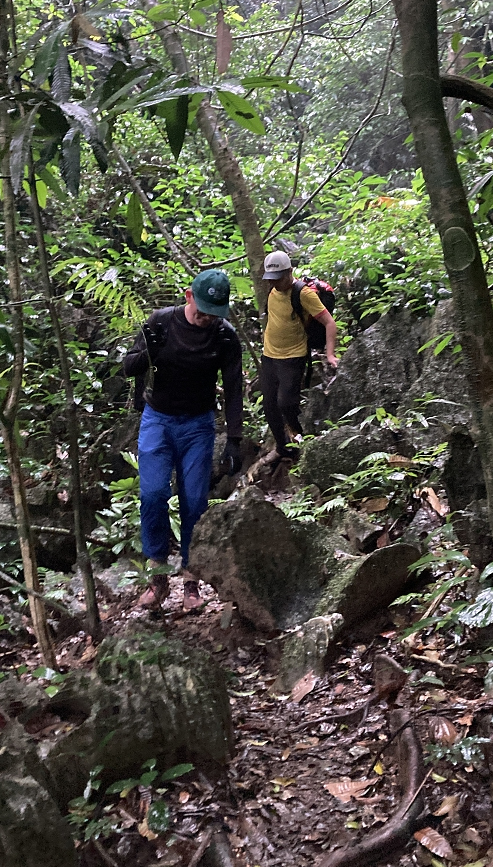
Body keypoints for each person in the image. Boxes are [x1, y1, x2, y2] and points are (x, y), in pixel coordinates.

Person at [123, 270, 243, 609]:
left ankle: (192, 582)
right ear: (189, 296)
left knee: (194, 501)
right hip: (157, 419)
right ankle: (157, 578)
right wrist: (149, 351)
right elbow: (127, 367)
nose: (206, 319)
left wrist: (234, 438)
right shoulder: (161, 322)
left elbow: (234, 388)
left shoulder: (224, 336)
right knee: (153, 494)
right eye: (202, 310)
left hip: (197, 425)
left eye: (214, 314)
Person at [261, 250, 338, 461]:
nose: (276, 283)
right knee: (269, 405)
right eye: (272, 279)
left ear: (289, 272)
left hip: (293, 356)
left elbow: (329, 323)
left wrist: (330, 355)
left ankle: (301, 440)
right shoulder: (271, 290)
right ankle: (283, 446)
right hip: (269, 355)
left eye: (279, 278)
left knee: (286, 402)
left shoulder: (303, 294)